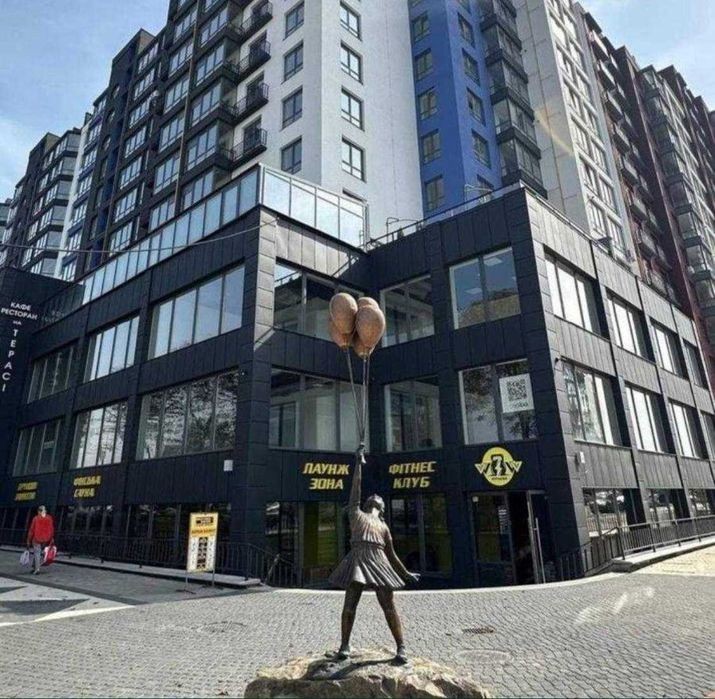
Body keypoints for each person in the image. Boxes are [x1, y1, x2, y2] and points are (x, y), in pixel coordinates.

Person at [329, 446, 419, 664]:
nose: (375, 497)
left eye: (378, 498)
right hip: (358, 559)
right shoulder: (356, 514)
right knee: (349, 606)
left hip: (379, 561)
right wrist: (358, 464)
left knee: (389, 607)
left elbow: (392, 555)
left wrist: (406, 574)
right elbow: (356, 490)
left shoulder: (384, 527)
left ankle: (401, 647)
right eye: (373, 497)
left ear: (382, 507)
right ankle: (344, 645)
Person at [26, 505, 54, 575]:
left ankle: (37, 569)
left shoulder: (36, 518)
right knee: (38, 553)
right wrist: (51, 538)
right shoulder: (49, 518)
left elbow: (31, 530)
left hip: (36, 538)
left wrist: (28, 540)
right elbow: (51, 529)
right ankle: (34, 566)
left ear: (39, 511)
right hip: (45, 539)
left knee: (37, 553)